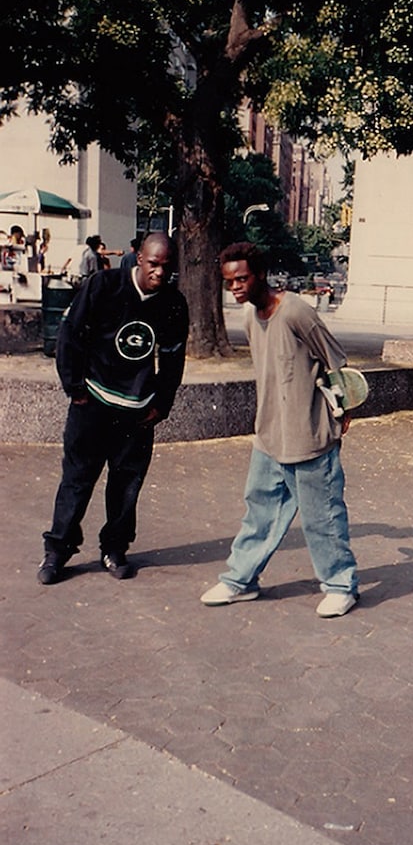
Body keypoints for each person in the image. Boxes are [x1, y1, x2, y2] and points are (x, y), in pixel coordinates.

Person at [200, 241, 359, 618]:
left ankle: (341, 586)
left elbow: (337, 362)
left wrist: (344, 412)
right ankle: (241, 581)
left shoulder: (297, 311)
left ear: (260, 275)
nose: (235, 287)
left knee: (322, 516)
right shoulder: (249, 317)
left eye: (242, 279)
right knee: (259, 512)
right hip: (269, 434)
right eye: (229, 282)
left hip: (309, 434)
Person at [37, 232, 189, 585]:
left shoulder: (173, 303)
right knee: (77, 479)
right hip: (92, 403)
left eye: (167, 266)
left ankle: (115, 549)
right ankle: (58, 551)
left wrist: (162, 404)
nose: (160, 272)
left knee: (126, 485)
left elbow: (173, 358)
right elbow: (70, 335)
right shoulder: (104, 286)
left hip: (136, 412)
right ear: (140, 259)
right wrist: (75, 388)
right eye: (154, 264)